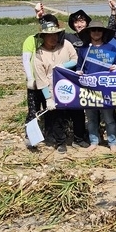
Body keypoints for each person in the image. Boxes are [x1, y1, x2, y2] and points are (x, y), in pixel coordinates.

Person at [77, 20, 116, 152]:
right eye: (93, 30)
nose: (96, 33)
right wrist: (79, 72)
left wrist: (115, 67)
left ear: (103, 32)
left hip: (106, 89)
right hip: (89, 89)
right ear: (89, 32)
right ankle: (94, 141)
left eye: (99, 30)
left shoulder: (110, 48)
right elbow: (79, 66)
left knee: (109, 118)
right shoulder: (84, 50)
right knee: (91, 118)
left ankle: (112, 142)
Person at [33, 15, 78, 153]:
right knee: (57, 116)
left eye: (55, 35)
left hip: (69, 86)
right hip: (52, 90)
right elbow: (41, 80)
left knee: (75, 114)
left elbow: (75, 59)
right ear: (43, 37)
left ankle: (79, 138)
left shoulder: (66, 45)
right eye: (49, 36)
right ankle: (60, 142)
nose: (53, 38)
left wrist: (64, 66)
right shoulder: (39, 55)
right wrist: (48, 98)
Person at [21, 2, 46, 148]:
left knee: (48, 110)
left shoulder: (53, 40)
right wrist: (30, 78)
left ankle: (48, 134)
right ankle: (30, 136)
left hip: (48, 81)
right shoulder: (31, 40)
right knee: (33, 109)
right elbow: (25, 59)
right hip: (35, 81)